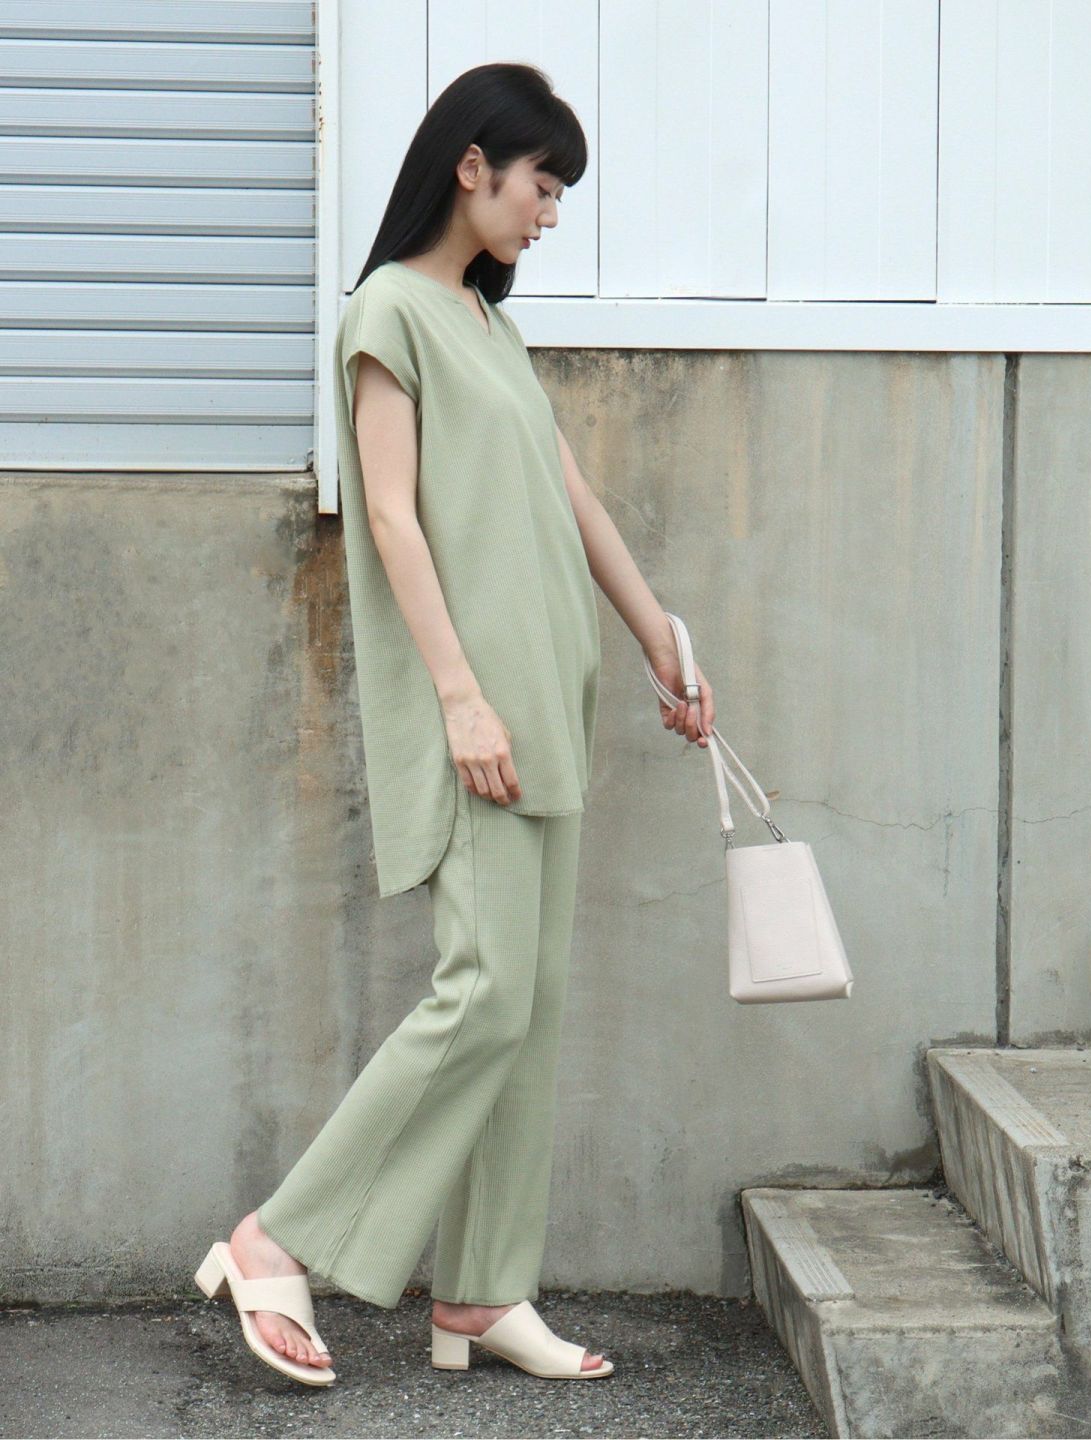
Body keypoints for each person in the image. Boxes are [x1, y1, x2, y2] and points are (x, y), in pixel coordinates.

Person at [194, 61, 715, 1386]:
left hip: (550, 697)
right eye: (543, 182)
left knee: (528, 1009)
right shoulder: (389, 313)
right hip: (477, 709)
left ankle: (482, 1293)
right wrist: (461, 696)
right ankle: (274, 1239)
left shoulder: (491, 327)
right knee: (481, 992)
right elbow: (389, 514)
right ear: (472, 165)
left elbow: (571, 495)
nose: (551, 211)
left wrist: (660, 638)